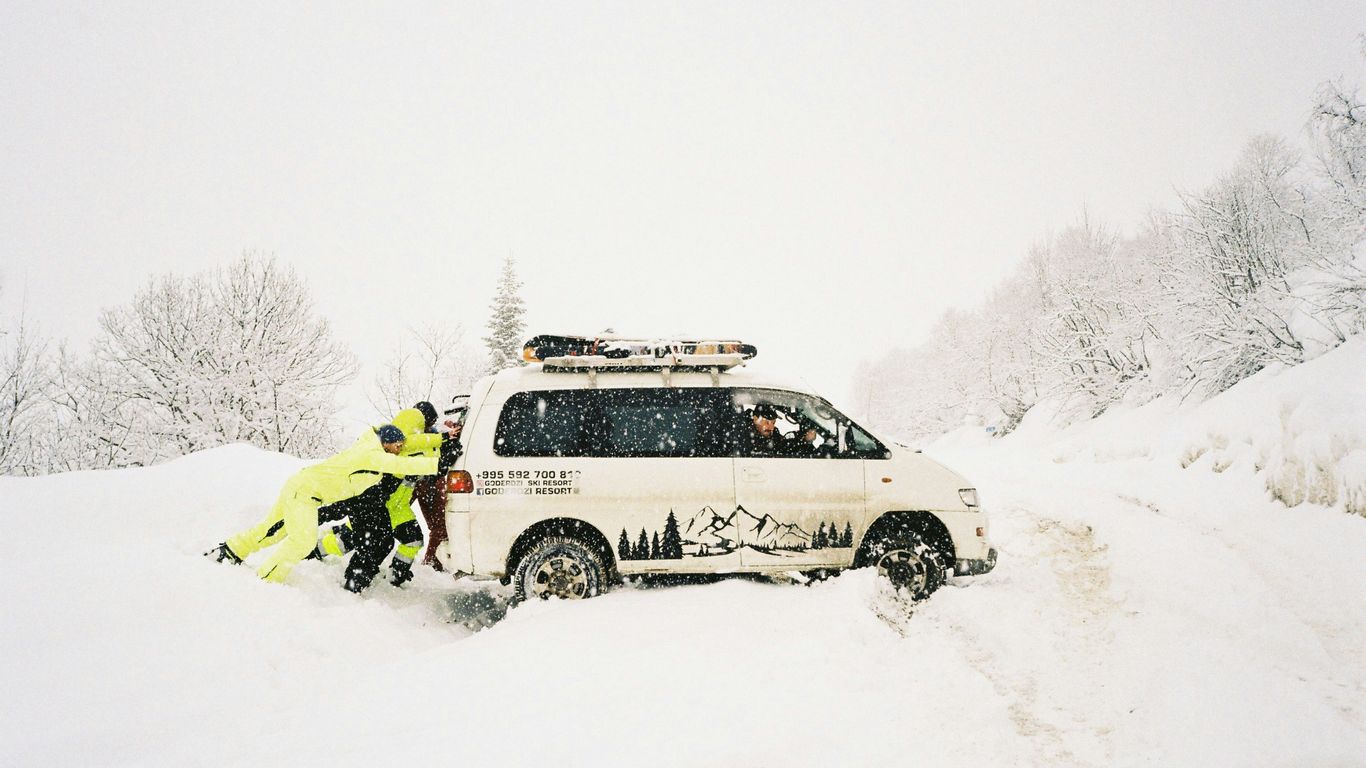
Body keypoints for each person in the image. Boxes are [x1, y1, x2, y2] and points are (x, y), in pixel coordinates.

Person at [208, 423, 448, 585]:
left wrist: (443, 438)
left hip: (302, 487)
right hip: (304, 493)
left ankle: (230, 551)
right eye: (397, 446)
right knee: (302, 540)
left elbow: (408, 446)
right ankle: (266, 581)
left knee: (272, 531)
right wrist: (438, 464)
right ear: (387, 442)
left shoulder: (369, 445)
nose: (399, 451)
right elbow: (402, 466)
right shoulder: (371, 456)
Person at [313, 402, 461, 590]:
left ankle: (395, 578)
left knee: (412, 540)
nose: (430, 427)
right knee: (350, 540)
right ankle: (316, 551)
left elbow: (427, 447)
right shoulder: (397, 447)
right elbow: (425, 461)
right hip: (375, 507)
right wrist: (446, 453)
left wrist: (447, 438)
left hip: (398, 508)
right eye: (428, 423)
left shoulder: (407, 441)